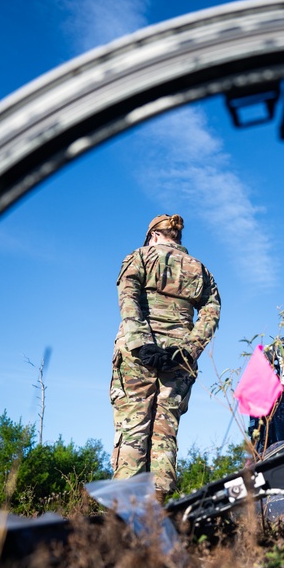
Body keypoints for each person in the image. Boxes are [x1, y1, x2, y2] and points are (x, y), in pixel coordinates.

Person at [109, 214, 221, 502]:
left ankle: (125, 511)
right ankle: (157, 508)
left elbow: (129, 299)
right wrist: (189, 350)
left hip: (139, 355)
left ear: (153, 236)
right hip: (178, 358)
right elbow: (211, 312)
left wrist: (140, 343)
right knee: (165, 429)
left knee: (134, 426)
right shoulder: (200, 270)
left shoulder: (140, 257)